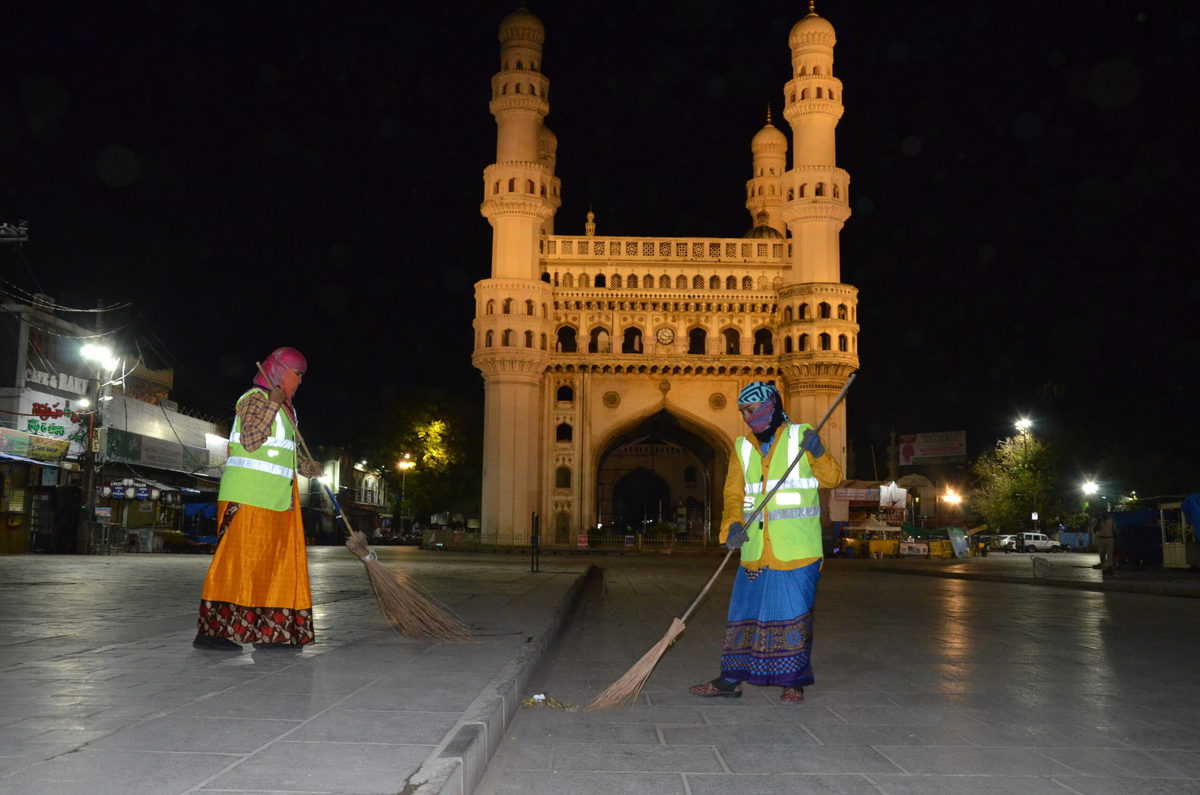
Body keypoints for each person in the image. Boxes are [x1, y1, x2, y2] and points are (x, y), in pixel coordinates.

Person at [689, 381, 842, 703]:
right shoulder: (742, 447)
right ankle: (730, 680)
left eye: (753, 409)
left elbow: (832, 478)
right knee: (744, 615)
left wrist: (818, 452)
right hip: (755, 549)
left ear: (771, 406)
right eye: (742, 411)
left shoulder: (801, 436)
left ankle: (793, 682)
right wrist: (731, 527)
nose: (748, 417)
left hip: (797, 551)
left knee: (793, 617)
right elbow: (734, 494)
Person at [193, 347, 324, 650]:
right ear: (279, 371)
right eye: (297, 374)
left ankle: (273, 633)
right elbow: (251, 442)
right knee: (238, 564)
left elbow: (278, 454)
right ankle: (214, 633)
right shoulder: (254, 399)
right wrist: (272, 407)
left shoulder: (288, 411)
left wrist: (307, 468)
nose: (300, 381)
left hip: (278, 500)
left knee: (274, 566)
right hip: (247, 498)